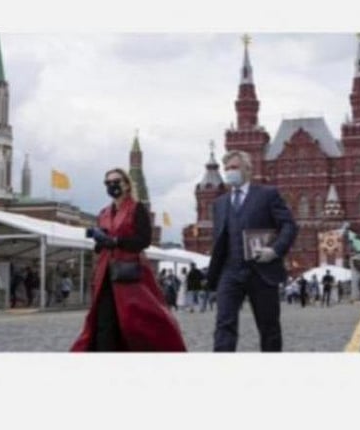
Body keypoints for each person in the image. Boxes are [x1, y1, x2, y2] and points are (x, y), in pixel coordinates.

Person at [71, 167, 186, 352]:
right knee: (104, 320)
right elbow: (102, 245)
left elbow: (143, 240)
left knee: (135, 321)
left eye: (116, 181)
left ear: (126, 184)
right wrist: (100, 240)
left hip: (129, 273)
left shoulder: (136, 208)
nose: (112, 186)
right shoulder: (104, 212)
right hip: (106, 273)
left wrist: (116, 241)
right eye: (108, 183)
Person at [206, 150, 298, 352]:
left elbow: (289, 225)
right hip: (230, 271)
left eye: (234, 167)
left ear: (248, 169)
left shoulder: (267, 194)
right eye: (227, 168)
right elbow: (220, 239)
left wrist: (275, 250)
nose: (229, 172)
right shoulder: (220, 203)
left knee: (268, 327)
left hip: (261, 271)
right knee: (224, 323)